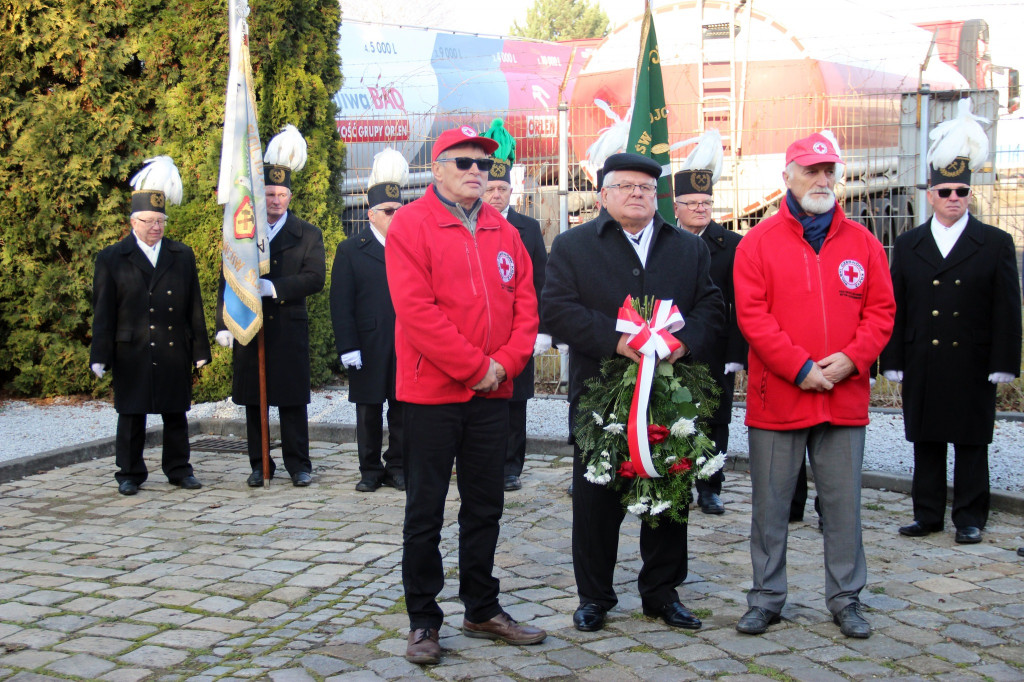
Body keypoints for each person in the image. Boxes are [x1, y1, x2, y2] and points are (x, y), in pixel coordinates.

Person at [543, 152, 725, 633]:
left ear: (657, 196)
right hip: (601, 396)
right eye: (625, 186)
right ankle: (595, 596)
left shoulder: (688, 249)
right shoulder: (572, 245)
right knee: (597, 498)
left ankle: (662, 593)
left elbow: (710, 306)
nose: (637, 194)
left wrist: (682, 343)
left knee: (668, 495)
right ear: (604, 195)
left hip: (670, 394)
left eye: (646, 187)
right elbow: (558, 309)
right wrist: (618, 341)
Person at [386, 124, 545, 665]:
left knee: (486, 506)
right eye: (464, 161)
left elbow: (526, 303)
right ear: (437, 168)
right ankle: (424, 621)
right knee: (425, 510)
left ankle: (481, 606)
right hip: (433, 392)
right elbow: (417, 311)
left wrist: (505, 365)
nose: (477, 170)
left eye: (483, 163)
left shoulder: (504, 228)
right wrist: (476, 367)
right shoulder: (411, 224)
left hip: (492, 393)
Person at [733, 131, 895, 639]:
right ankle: (766, 597)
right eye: (811, 170)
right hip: (779, 396)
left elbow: (882, 312)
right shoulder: (758, 242)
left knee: (843, 506)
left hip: (844, 398)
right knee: (771, 507)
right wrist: (801, 368)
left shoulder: (864, 243)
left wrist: (850, 360)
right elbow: (753, 317)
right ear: (788, 177)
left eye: (829, 171)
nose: (822, 180)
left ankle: (846, 598)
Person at [881, 100, 1021, 545]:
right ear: (930, 194)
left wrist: (1005, 361)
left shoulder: (995, 242)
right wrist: (893, 358)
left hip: (973, 357)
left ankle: (969, 516)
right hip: (924, 354)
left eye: (962, 191)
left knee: (971, 439)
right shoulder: (909, 243)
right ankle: (927, 513)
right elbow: (895, 304)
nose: (954, 199)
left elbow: (1007, 307)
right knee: (926, 438)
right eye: (946, 192)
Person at [90, 155, 211, 495]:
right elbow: (104, 311)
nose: (156, 227)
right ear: (133, 221)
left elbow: (193, 305)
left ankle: (179, 469)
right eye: (149, 221)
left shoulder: (180, 254)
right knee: (131, 415)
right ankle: (129, 472)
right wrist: (100, 354)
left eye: (161, 221)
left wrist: (200, 348)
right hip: (132, 348)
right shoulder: (112, 258)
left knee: (175, 413)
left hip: (173, 346)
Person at [216, 125, 326, 487]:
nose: (275, 200)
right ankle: (259, 463)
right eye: (269, 194)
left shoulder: (308, 234)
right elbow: (228, 273)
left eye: (281, 194)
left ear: (290, 196)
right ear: (260, 196)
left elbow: (315, 278)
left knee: (293, 403)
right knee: (254, 402)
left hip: (288, 326)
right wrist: (224, 321)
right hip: (252, 325)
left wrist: (274, 287)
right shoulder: (243, 232)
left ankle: (299, 465)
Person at [671, 129, 745, 515]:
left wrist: (737, 354)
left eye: (706, 202)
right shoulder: (664, 242)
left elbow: (741, 306)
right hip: (674, 348)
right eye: (692, 203)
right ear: (676, 206)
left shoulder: (732, 246)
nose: (701, 209)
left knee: (715, 421)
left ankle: (711, 486)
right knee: (676, 415)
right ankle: (678, 477)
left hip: (717, 350)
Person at [331, 148, 407, 493]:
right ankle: (369, 469)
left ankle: (398, 466)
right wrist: (348, 346)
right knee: (369, 409)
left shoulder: (412, 246)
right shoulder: (351, 250)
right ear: (372, 214)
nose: (395, 216)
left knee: (403, 409)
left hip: (406, 342)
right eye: (388, 211)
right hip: (369, 344)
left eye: (400, 210)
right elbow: (341, 303)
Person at [482, 155, 549, 492]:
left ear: (512, 190)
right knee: (481, 400)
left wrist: (542, 329)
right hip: (483, 328)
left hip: (519, 329)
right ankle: (482, 461)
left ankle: (511, 466)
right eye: (490, 188)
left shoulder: (528, 228)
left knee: (515, 402)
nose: (496, 195)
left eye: (502, 188)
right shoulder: (469, 223)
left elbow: (541, 282)